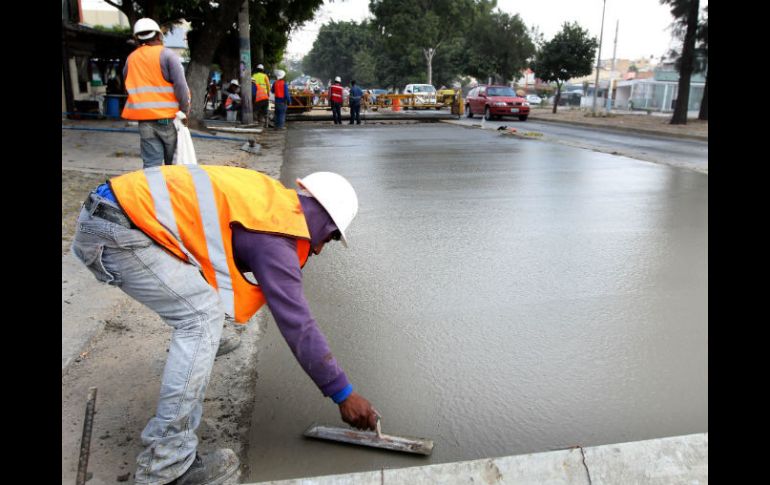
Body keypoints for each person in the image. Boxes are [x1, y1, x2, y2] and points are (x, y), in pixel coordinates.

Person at [70, 166, 380, 485]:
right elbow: (298, 324)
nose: (318, 248)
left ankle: (195, 364)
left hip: (117, 214)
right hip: (118, 234)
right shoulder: (275, 238)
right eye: (329, 237)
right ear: (325, 222)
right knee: (201, 319)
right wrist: (343, 393)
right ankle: (167, 464)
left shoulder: (268, 199)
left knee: (205, 318)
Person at [122, 18, 190, 168]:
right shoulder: (168, 56)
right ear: (159, 36)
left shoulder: (131, 59)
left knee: (152, 168)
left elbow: (127, 84)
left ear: (137, 38)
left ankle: (154, 191)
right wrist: (185, 111)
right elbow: (181, 87)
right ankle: (171, 191)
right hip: (169, 122)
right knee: (173, 166)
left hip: (145, 123)